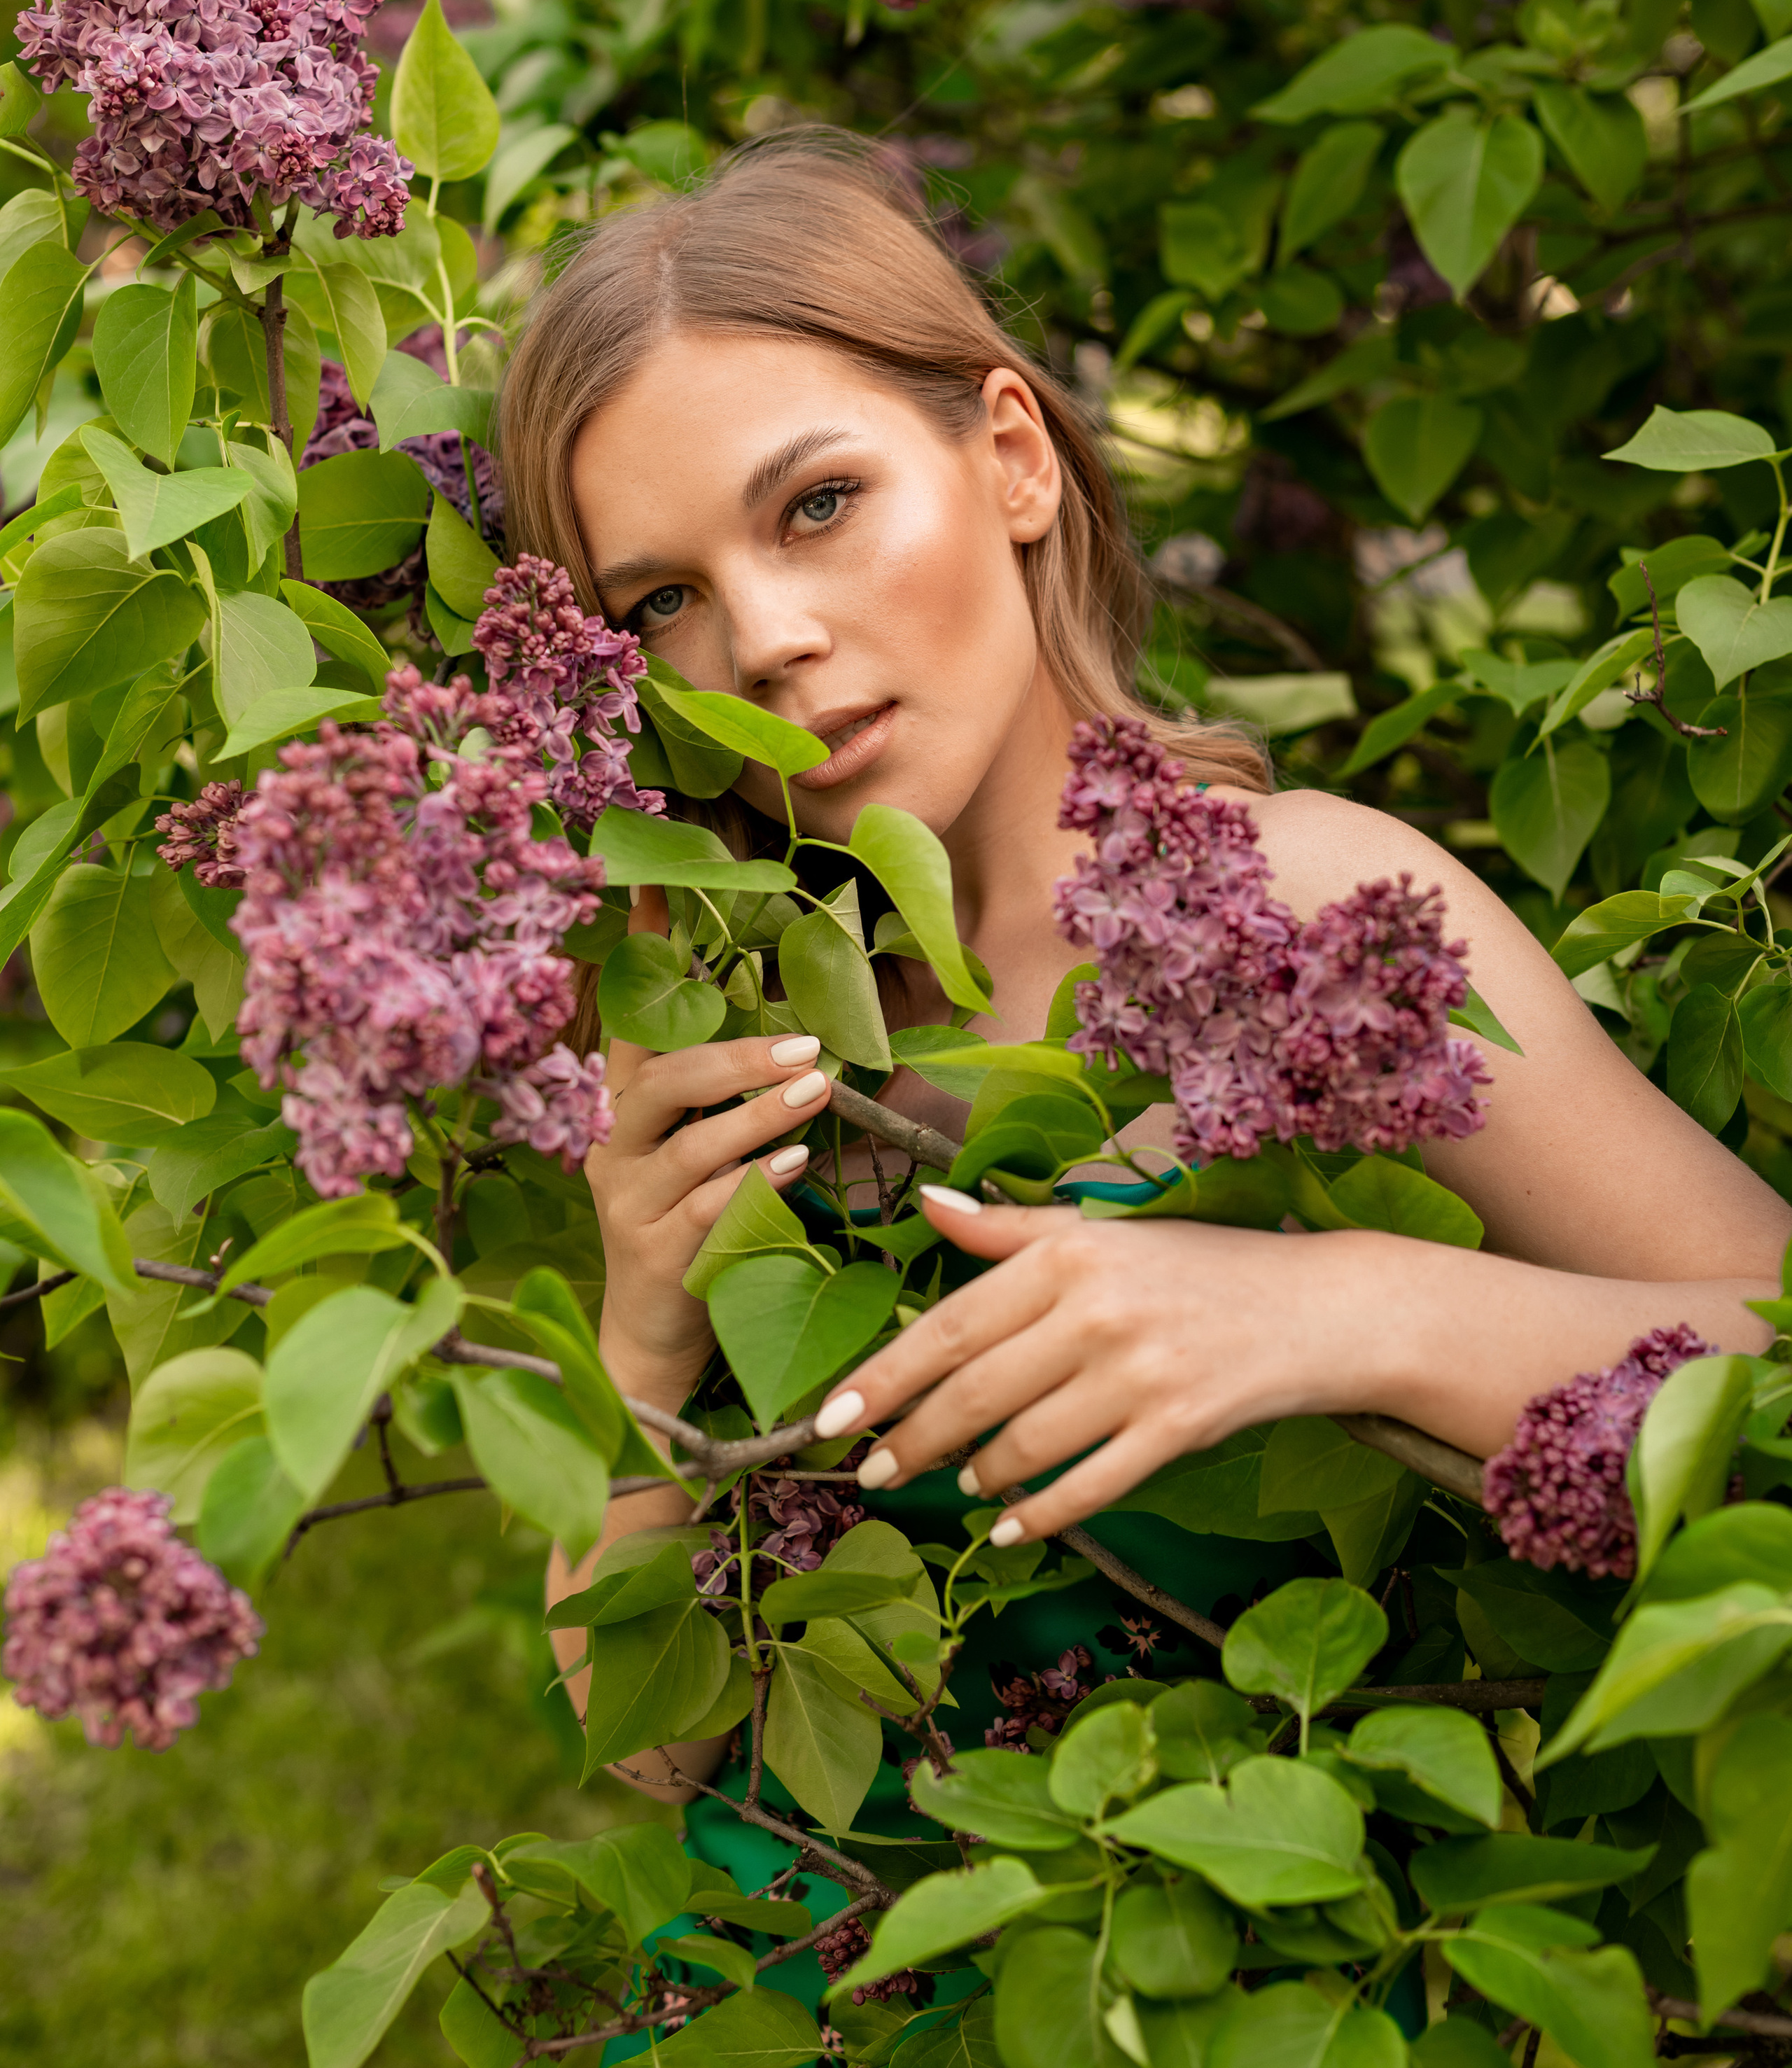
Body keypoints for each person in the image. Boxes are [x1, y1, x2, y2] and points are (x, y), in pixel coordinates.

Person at [496, 126, 1784, 1812]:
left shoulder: (1306, 909)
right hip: (796, 2026)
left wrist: (1343, 1313)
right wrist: (641, 1344)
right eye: (660, 602)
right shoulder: (749, 1026)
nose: (762, 642)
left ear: (1011, 460)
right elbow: (656, 1755)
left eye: (818, 506)